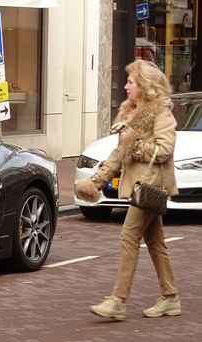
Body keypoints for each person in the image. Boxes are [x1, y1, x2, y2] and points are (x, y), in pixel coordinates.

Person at [75, 59, 181, 322]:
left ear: (144, 86)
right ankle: (170, 298)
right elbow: (117, 154)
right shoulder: (131, 114)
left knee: (128, 237)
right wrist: (96, 181)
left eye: (130, 82)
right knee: (156, 243)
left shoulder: (161, 113)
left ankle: (118, 301)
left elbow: (165, 149)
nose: (125, 86)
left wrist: (133, 146)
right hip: (139, 186)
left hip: (149, 186)